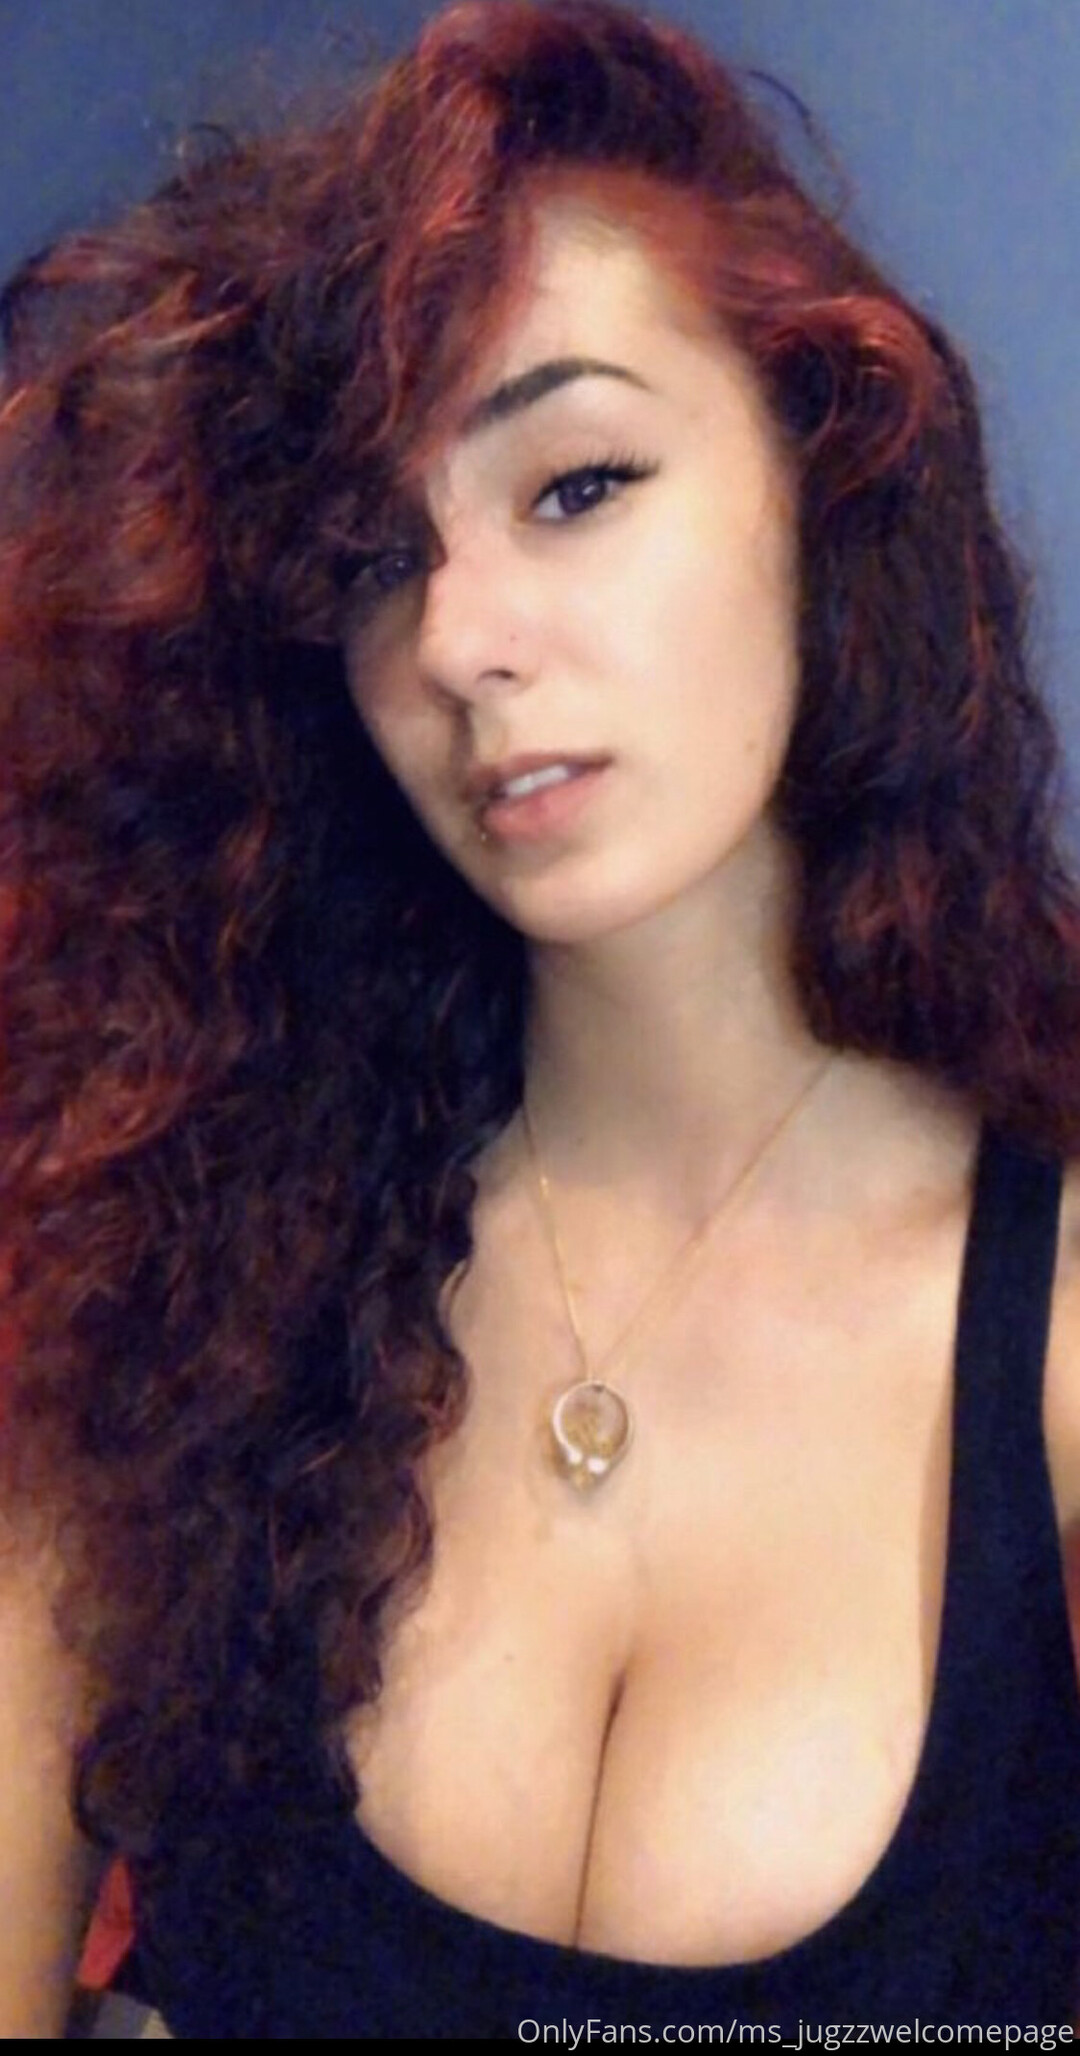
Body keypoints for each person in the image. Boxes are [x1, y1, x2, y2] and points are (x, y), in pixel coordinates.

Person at [2, 0, 1080, 2035]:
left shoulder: (1049, 1342)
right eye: (373, 557)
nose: (461, 638)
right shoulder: (163, 1294)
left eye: (575, 483)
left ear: (821, 473)